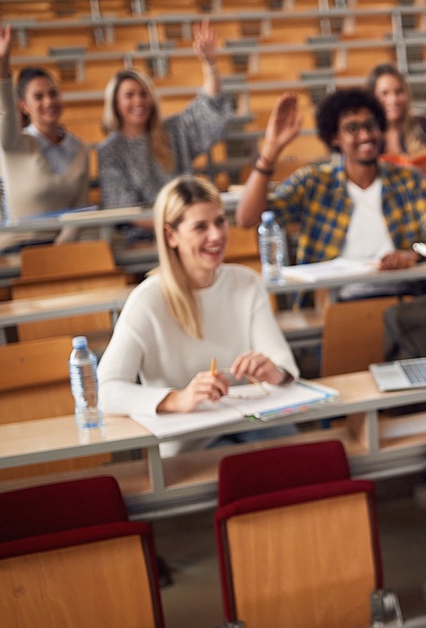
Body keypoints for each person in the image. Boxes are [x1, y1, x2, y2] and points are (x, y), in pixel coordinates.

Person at [98, 175, 299, 456]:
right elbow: (106, 391)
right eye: (200, 227)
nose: (216, 235)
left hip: (249, 424)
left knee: (300, 453)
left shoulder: (246, 283)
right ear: (171, 236)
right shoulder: (147, 300)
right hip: (190, 440)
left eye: (219, 221)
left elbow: (286, 367)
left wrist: (273, 372)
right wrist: (177, 399)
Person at [236, 88, 426, 283]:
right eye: (352, 128)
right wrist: (270, 151)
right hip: (336, 298)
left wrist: (415, 254)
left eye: (370, 125)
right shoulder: (313, 182)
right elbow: (247, 219)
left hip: (402, 293)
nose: (365, 135)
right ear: (334, 137)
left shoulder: (407, 180)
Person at [0, 6, 90, 253]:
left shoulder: (80, 148)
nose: (48, 102)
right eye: (38, 97)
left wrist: (57, 251)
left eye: (53, 93)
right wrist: (1, 63)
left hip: (62, 250)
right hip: (18, 248)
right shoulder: (14, 143)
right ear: (24, 106)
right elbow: (4, 112)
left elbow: (79, 210)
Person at [97, 19, 232, 214]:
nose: (138, 101)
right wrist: (169, 227)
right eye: (129, 95)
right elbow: (123, 209)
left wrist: (210, 63)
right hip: (144, 235)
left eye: (144, 94)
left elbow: (210, 106)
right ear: (115, 103)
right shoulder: (111, 150)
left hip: (185, 224)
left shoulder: (172, 131)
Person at [367, 63, 426, 184]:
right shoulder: (366, 131)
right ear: (372, 97)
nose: (393, 100)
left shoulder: (422, 122)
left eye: (399, 91)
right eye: (384, 93)